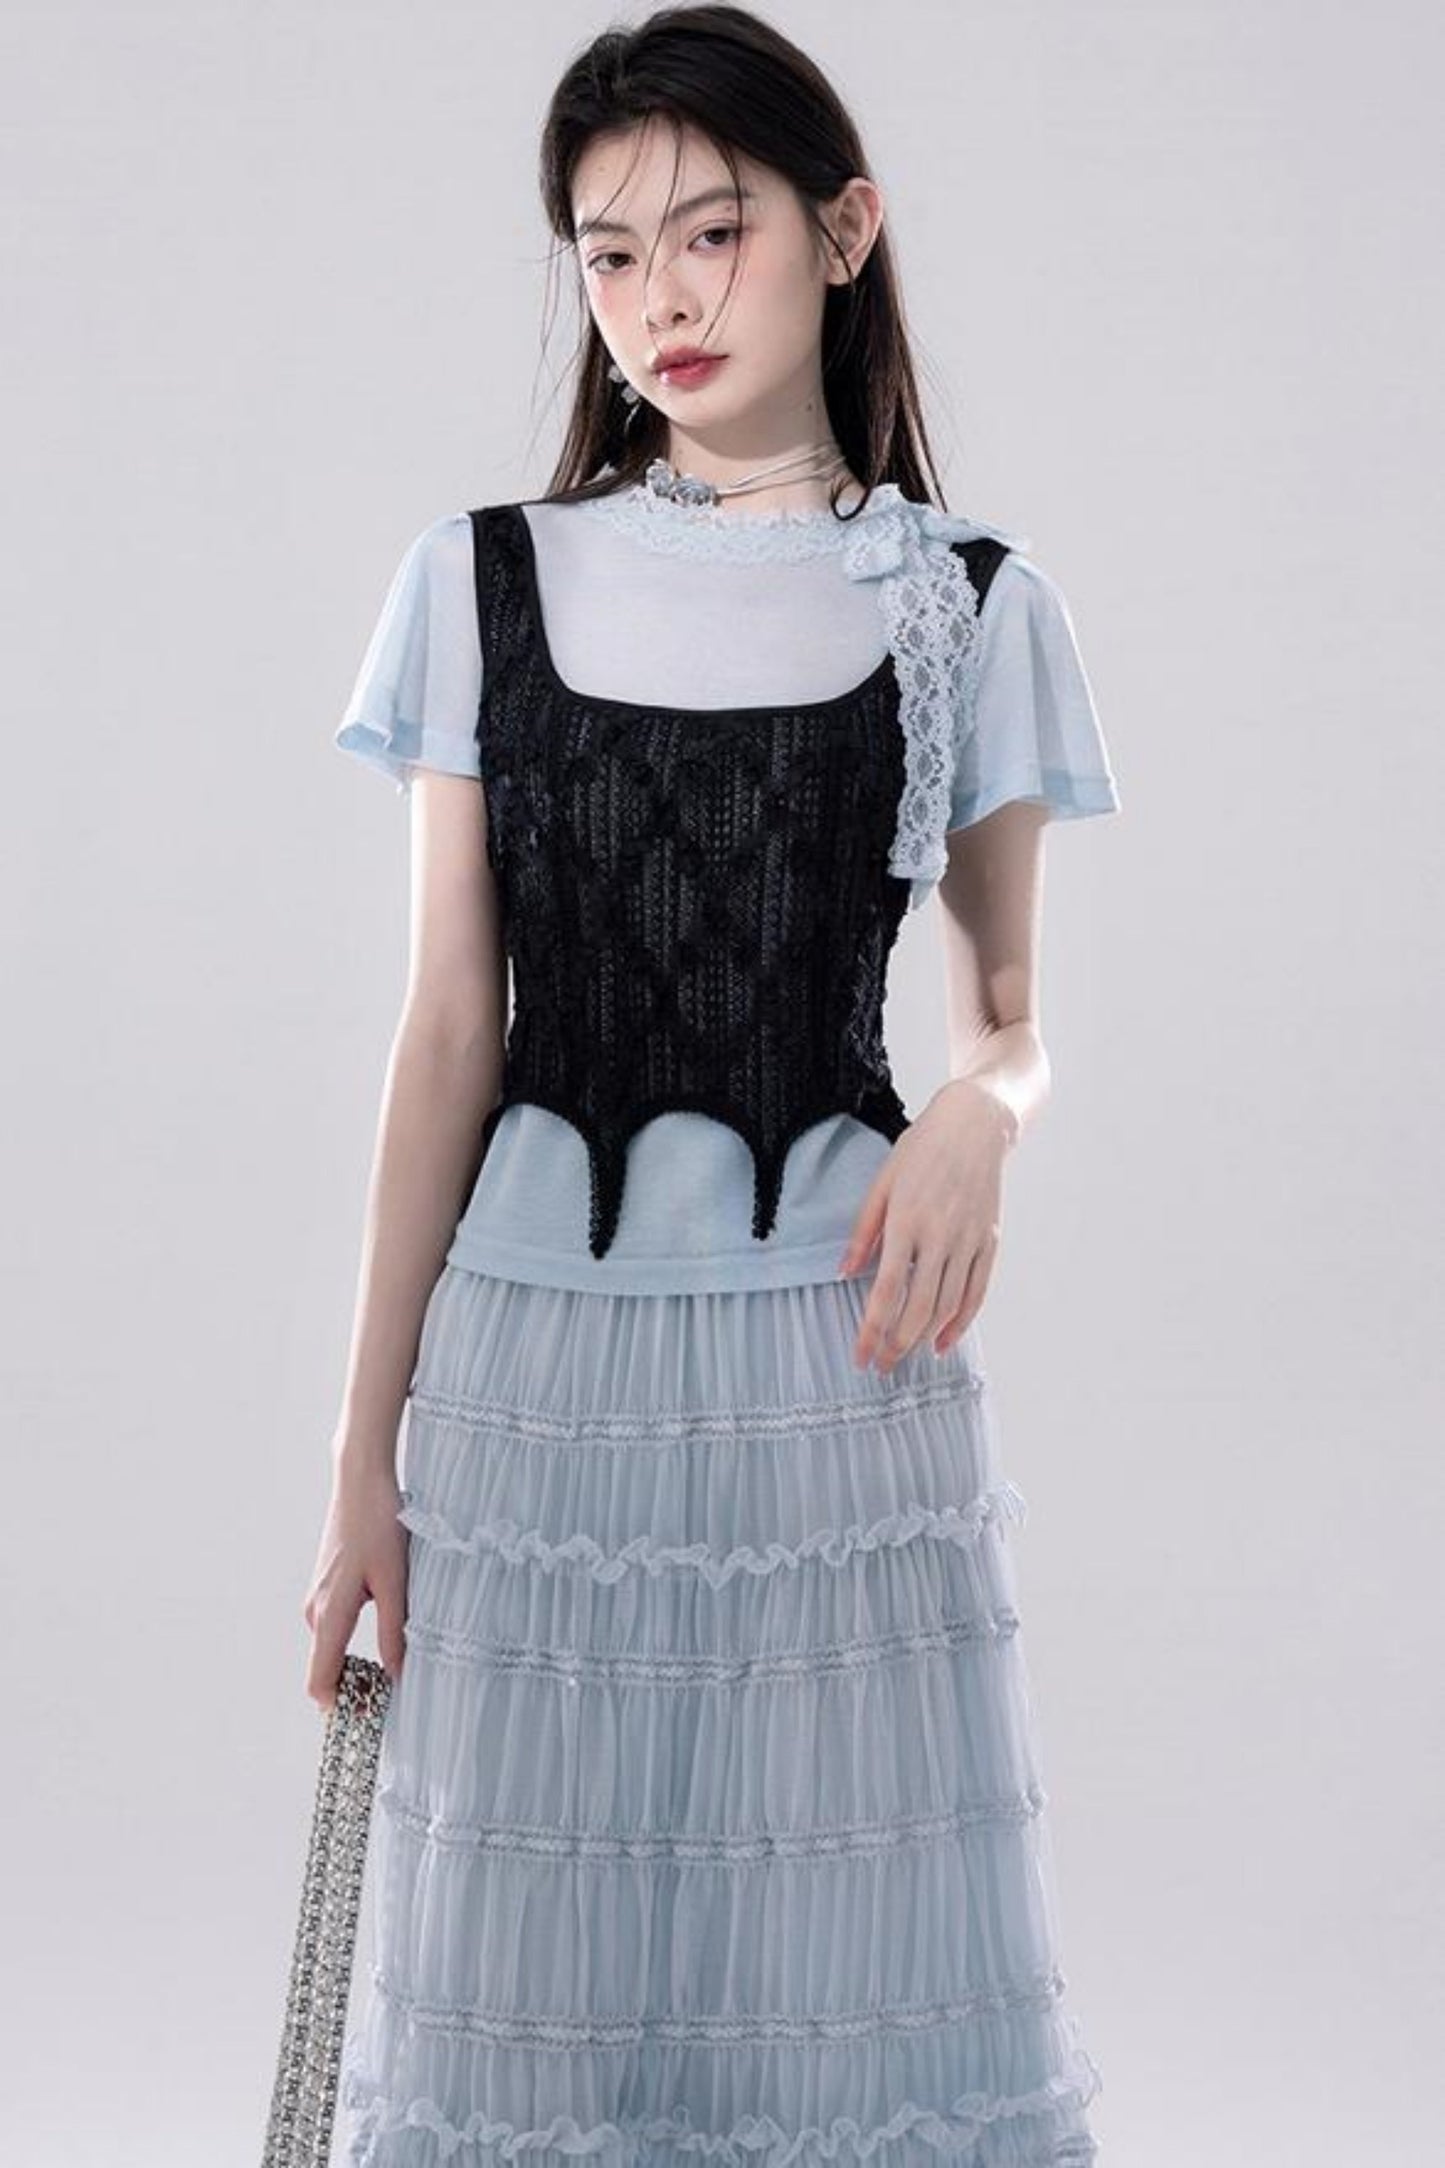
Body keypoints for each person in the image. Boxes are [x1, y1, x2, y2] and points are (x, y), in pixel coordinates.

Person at [305, 8, 1121, 2165]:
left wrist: (988, 1108)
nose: (658, 295)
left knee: (836, 1992)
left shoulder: (972, 604)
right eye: (607, 252)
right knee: (531, 2005)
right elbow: (446, 1036)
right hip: (532, 1380)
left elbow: (1011, 1016)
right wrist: (360, 1462)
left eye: (710, 230)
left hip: (832, 1368)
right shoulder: (478, 580)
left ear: (844, 231)